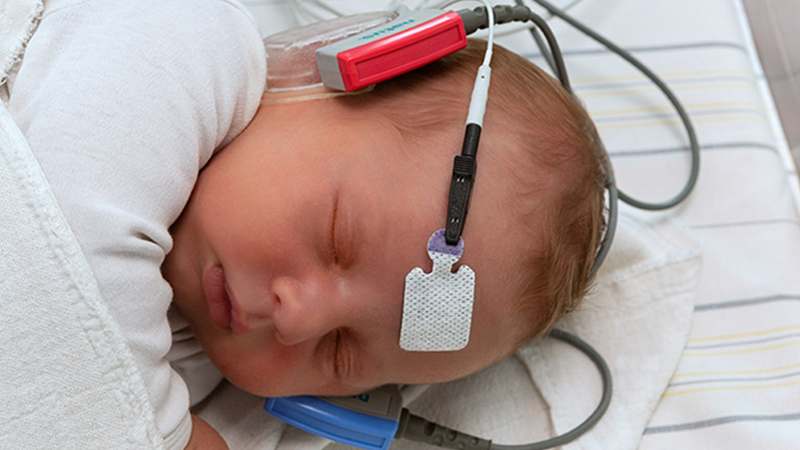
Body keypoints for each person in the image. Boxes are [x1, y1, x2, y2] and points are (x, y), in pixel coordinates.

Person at [6, 0, 604, 447]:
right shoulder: (189, 45)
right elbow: (60, 251)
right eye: (336, 237)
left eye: (340, 353)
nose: (297, 318)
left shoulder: (197, 383)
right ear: (332, 70)